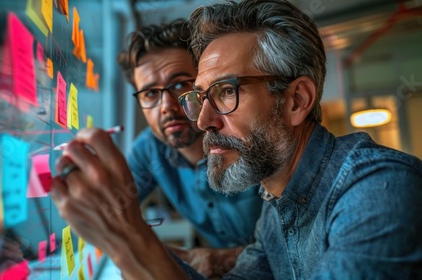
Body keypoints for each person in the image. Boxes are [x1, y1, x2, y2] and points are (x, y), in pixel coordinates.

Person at [50, 0, 422, 279]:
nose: (203, 119)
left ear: (296, 101)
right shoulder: (274, 211)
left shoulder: (379, 190)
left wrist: (126, 238)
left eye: (226, 92)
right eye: (198, 96)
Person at [116, 19, 262, 276]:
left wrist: (219, 260)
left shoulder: (248, 135)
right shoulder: (149, 149)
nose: (166, 106)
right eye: (150, 94)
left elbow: (295, 241)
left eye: (180, 85)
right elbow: (113, 209)